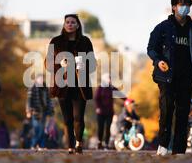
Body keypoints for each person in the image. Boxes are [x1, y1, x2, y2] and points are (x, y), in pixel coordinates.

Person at [147, 0, 192, 155]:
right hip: (166, 76)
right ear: (173, 7)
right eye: (180, 4)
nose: (184, 8)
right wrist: (158, 61)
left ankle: (179, 150)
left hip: (186, 77)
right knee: (166, 109)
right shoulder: (162, 27)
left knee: (183, 113)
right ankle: (163, 146)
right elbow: (151, 48)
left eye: (187, 5)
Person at [45, 14, 97, 154]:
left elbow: (93, 64)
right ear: (64, 25)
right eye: (67, 22)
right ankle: (70, 146)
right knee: (67, 119)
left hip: (80, 87)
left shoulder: (85, 41)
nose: (70, 24)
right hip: (62, 86)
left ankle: (79, 142)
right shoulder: (55, 42)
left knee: (78, 118)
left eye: (73, 22)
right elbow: (48, 63)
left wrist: (83, 65)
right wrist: (60, 64)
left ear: (78, 25)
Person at [95, 73, 126, 150]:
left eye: (110, 78)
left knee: (108, 127)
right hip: (100, 112)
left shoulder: (112, 88)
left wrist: (127, 99)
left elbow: (120, 95)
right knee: (100, 128)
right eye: (108, 78)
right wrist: (98, 107)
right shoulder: (100, 88)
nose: (109, 80)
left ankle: (106, 144)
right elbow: (96, 98)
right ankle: (99, 142)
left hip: (109, 112)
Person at [26, 75, 54, 150]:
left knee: (42, 129)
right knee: (36, 129)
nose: (41, 80)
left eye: (42, 79)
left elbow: (49, 100)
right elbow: (29, 100)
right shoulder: (32, 88)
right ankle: (34, 144)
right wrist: (28, 111)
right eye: (39, 79)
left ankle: (41, 145)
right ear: (36, 80)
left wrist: (51, 111)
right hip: (35, 112)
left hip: (44, 112)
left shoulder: (45, 88)